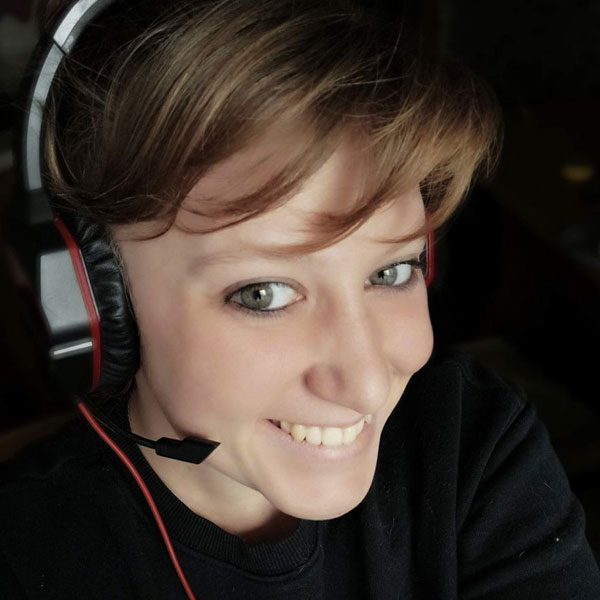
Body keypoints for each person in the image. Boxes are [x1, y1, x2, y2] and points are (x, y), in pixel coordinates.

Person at [1, 0, 599, 598]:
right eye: (262, 294)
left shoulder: (476, 445)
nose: (365, 383)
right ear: (91, 300)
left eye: (392, 272)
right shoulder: (24, 559)